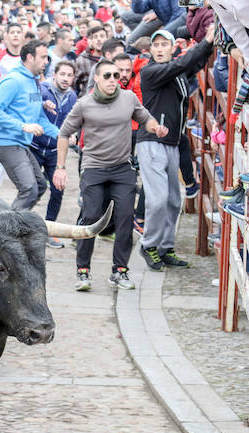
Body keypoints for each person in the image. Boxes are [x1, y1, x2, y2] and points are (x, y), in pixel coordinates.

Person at [54, 59, 168, 291]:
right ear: (96, 78)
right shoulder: (84, 104)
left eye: (116, 75)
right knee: (91, 216)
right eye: (107, 76)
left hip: (122, 168)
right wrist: (61, 167)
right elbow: (64, 133)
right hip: (94, 168)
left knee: (125, 218)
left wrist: (156, 128)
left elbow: (145, 118)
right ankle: (83, 271)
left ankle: (120, 271)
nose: (113, 80)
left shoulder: (128, 98)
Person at [135, 27, 214, 271]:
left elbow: (194, 63)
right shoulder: (151, 71)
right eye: (155, 46)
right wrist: (206, 40)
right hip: (151, 141)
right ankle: (148, 245)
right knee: (157, 200)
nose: (159, 50)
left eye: (164, 45)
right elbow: (182, 64)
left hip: (171, 143)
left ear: (172, 48)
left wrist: (211, 42)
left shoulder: (177, 73)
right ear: (150, 50)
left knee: (172, 201)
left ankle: (165, 248)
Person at [0, 40, 59, 211]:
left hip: (21, 143)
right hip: (6, 143)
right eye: (42, 57)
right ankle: (10, 229)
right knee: (29, 189)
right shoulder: (13, 81)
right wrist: (22, 126)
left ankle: (19, 223)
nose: (46, 62)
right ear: (29, 57)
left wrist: (61, 134)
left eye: (47, 58)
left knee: (40, 186)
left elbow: (39, 118)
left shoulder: (34, 82)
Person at [30, 60, 77, 248]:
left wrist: (72, 133)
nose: (65, 78)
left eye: (69, 75)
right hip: (34, 146)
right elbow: (29, 101)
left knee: (58, 189)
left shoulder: (72, 97)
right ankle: (23, 227)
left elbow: (71, 120)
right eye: (62, 74)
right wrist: (43, 102)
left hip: (54, 150)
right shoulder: (41, 88)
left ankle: (48, 230)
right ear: (54, 75)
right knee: (32, 189)